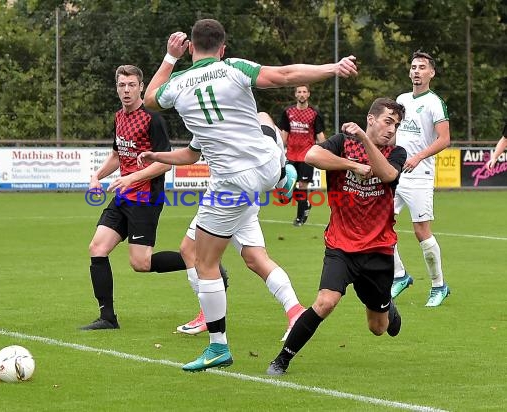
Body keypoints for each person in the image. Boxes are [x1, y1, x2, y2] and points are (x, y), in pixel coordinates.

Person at [140, 18, 357, 372]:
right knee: (264, 119)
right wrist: (332, 67)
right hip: (266, 167)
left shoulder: (177, 84)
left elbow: (150, 99)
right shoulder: (234, 68)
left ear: (191, 48)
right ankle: (284, 173)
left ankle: (217, 346)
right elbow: (286, 75)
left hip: (232, 184)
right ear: (223, 48)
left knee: (202, 261)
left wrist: (169, 57)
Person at [266, 97, 407, 376]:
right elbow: (311, 156)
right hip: (341, 245)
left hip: (378, 250)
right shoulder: (343, 141)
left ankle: (386, 307)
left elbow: (388, 174)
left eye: (396, 124)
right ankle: (281, 359)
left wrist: (366, 141)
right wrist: (352, 165)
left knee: (378, 328)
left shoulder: (396, 152)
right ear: (371, 118)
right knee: (325, 302)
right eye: (387, 121)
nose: (392, 129)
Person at [176, 113, 304, 342]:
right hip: (247, 196)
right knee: (256, 258)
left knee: (190, 250)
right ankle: (295, 311)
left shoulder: (211, 118)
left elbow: (189, 154)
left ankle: (209, 318)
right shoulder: (242, 117)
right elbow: (266, 122)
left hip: (226, 198)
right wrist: (283, 172)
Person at [80, 65, 186, 331]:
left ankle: (200, 262)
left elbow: (164, 164)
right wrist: (97, 177)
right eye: (121, 85)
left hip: (145, 199)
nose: (126, 90)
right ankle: (107, 317)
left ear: (141, 87)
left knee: (141, 263)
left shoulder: (153, 119)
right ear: (116, 88)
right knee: (97, 248)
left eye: (131, 85)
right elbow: (117, 156)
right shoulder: (119, 117)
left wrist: (132, 178)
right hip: (123, 196)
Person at [390, 50, 451, 307]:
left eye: (422, 67)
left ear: (431, 73)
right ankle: (400, 275)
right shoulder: (401, 99)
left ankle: (439, 285)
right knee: (379, 224)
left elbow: (444, 139)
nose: (416, 70)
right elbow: (394, 134)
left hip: (420, 175)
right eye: (413, 66)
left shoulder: (435, 102)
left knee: (420, 231)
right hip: (396, 173)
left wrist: (417, 157)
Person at [278, 84, 326, 226]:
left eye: (304, 92)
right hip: (291, 155)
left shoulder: (314, 114)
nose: (302, 94)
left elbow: (320, 136)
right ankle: (305, 203)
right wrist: (279, 152)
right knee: (288, 187)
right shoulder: (288, 112)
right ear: (295, 94)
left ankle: (300, 218)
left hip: (307, 156)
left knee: (303, 186)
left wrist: (325, 151)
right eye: (299, 92)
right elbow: (284, 134)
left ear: (309, 94)